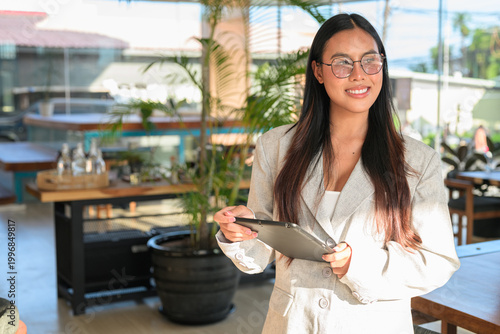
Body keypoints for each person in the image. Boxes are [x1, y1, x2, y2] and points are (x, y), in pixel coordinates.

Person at [214, 13, 460, 334]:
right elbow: (260, 254)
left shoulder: (417, 160)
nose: (359, 75)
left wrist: (356, 266)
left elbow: (438, 261)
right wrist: (241, 232)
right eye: (342, 63)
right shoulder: (276, 145)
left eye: (369, 61)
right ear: (318, 71)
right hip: (292, 323)